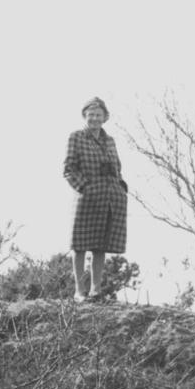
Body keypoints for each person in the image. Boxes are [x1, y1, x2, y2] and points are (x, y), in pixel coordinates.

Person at [63, 97, 128, 301]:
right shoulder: (76, 137)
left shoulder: (110, 140)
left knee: (101, 245)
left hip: (110, 198)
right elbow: (68, 170)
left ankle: (95, 290)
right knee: (80, 245)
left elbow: (117, 166)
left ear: (105, 117)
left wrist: (121, 186)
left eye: (98, 115)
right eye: (91, 115)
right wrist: (85, 188)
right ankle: (79, 291)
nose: (94, 118)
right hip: (87, 197)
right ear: (85, 116)